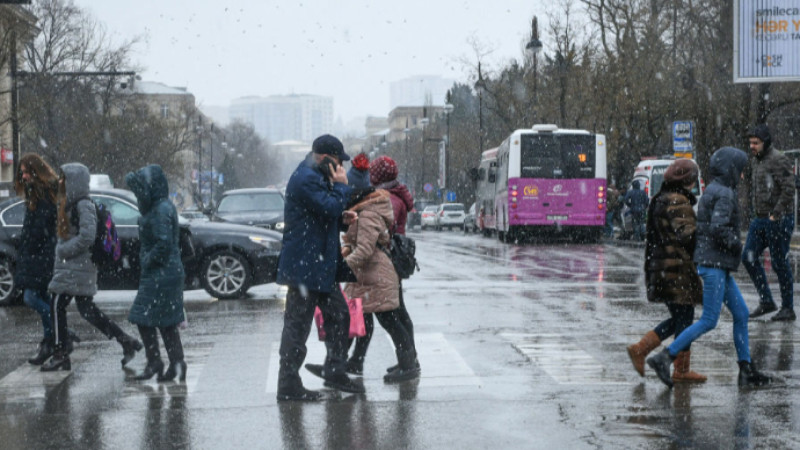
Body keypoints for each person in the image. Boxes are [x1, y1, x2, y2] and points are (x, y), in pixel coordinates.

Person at [647, 147, 772, 388]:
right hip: (714, 265)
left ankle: (746, 369)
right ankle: (665, 357)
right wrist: (738, 245)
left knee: (741, 313)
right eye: (740, 170)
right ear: (731, 170)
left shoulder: (716, 189)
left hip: (717, 264)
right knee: (709, 320)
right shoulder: (724, 193)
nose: (742, 175)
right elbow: (718, 228)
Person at [276, 134, 364, 401]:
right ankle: (288, 385)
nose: (341, 167)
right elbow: (328, 207)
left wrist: (342, 218)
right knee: (297, 327)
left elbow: (323, 214)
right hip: (306, 268)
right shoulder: (306, 178)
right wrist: (342, 188)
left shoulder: (316, 176)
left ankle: (335, 369)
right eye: (338, 161)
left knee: (339, 315)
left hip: (319, 266)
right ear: (325, 158)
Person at [306, 186, 418, 383]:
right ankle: (341, 363)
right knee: (356, 320)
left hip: (377, 277)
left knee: (389, 320)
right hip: (367, 276)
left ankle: (407, 365)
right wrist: (345, 252)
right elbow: (358, 244)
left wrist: (341, 268)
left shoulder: (368, 214)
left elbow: (365, 250)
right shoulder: (363, 211)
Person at [41, 163, 142, 372]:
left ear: (74, 181)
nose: (60, 181)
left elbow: (87, 236)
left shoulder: (83, 205)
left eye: (64, 178)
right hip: (75, 267)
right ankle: (126, 341)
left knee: (57, 303)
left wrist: (64, 250)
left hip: (77, 266)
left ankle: (60, 353)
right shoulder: (71, 203)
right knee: (87, 310)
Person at [626, 159, 706, 383]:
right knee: (684, 319)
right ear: (688, 180)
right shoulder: (678, 200)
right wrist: (706, 233)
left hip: (661, 268)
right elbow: (688, 236)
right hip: (676, 269)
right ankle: (678, 368)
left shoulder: (660, 198)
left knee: (681, 318)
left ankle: (643, 350)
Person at [14, 154, 81, 365]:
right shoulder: (39, 192)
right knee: (43, 298)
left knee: (32, 298)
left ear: (36, 171)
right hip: (40, 256)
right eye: (22, 173)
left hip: (43, 257)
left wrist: (28, 246)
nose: (24, 176)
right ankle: (52, 342)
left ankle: (61, 335)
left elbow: (40, 228)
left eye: (26, 172)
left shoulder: (45, 193)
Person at [125, 165, 187, 381]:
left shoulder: (160, 209)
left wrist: (147, 260)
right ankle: (176, 364)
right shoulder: (160, 206)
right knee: (166, 321)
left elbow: (164, 243)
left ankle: (155, 362)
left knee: (142, 317)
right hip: (165, 272)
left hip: (162, 273)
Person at [742, 124, 796, 321]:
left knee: (779, 262)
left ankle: (788, 308)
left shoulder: (778, 159)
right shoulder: (756, 161)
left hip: (778, 219)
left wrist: (776, 213)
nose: (752, 146)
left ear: (765, 142)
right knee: (748, 257)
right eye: (750, 143)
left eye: (756, 143)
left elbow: (789, 188)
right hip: (760, 219)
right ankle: (766, 301)